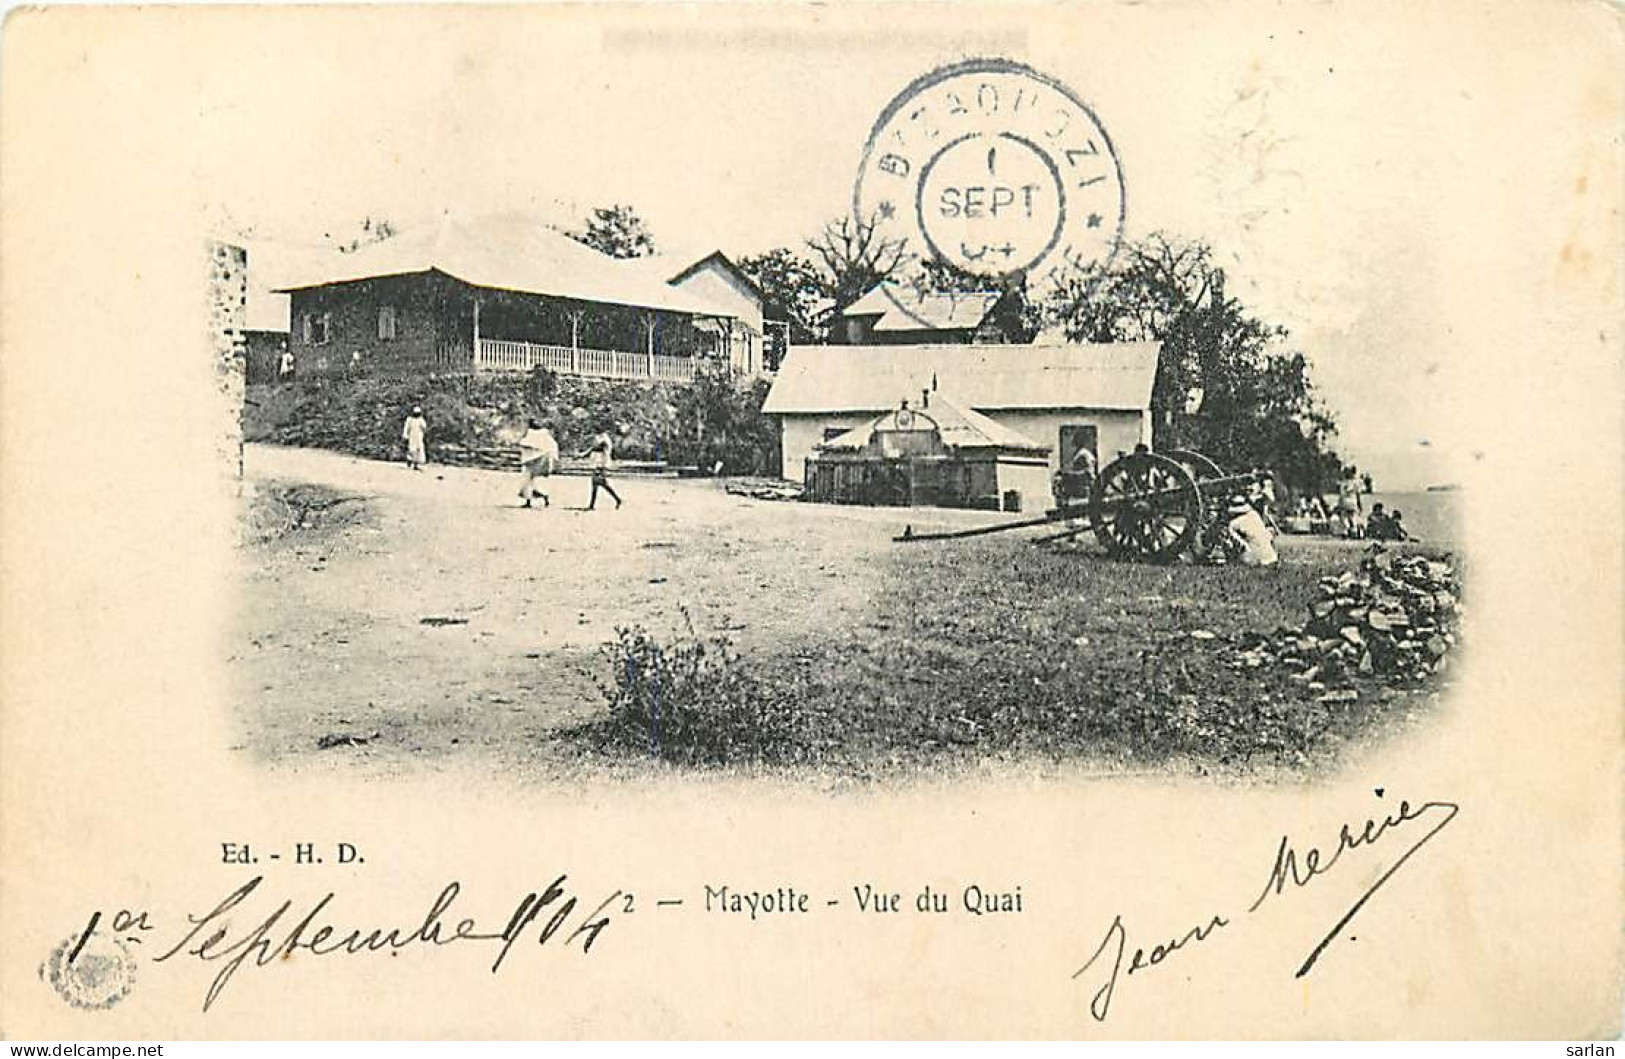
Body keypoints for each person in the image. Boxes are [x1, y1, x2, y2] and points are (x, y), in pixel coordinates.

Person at [1223, 494, 1279, 566]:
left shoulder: (1234, 523)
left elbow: (1236, 543)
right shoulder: (1255, 514)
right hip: (1271, 557)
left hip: (1254, 558)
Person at [517, 418, 560, 508]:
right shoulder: (534, 433)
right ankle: (534, 500)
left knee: (530, 481)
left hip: (535, 461)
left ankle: (542, 498)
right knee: (529, 482)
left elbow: (550, 446)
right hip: (531, 461)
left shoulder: (542, 434)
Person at [579, 430, 622, 510]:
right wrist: (583, 455)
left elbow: (601, 450)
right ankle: (592, 505)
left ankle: (617, 499)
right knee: (596, 483)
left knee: (600, 483)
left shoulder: (604, 439)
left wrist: (602, 465)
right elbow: (593, 448)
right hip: (598, 463)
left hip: (600, 463)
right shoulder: (601, 438)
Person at [1335, 471, 1364, 538]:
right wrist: (1360, 506)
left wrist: (1339, 504)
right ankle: (1354, 531)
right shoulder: (1355, 483)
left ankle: (1345, 531)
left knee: (1344, 517)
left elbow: (1341, 495)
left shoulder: (1342, 484)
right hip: (1353, 501)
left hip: (1344, 501)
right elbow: (1358, 495)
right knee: (1353, 517)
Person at [401, 405, 428, 471]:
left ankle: (416, 464)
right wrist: (405, 435)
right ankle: (409, 462)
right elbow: (406, 427)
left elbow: (424, 427)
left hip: (419, 437)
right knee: (411, 450)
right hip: (411, 437)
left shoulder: (421, 420)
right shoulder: (409, 419)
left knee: (418, 451)